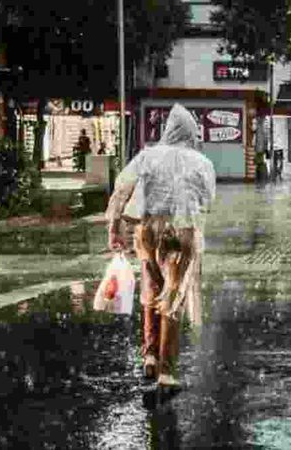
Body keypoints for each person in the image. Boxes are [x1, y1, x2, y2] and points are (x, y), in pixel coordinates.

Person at [105, 103, 216, 390]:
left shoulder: (147, 156)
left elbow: (121, 190)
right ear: (191, 133)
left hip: (148, 228)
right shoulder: (201, 162)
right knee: (173, 296)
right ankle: (167, 372)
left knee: (151, 290)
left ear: (167, 130)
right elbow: (207, 199)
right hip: (182, 231)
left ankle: (150, 356)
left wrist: (114, 228)